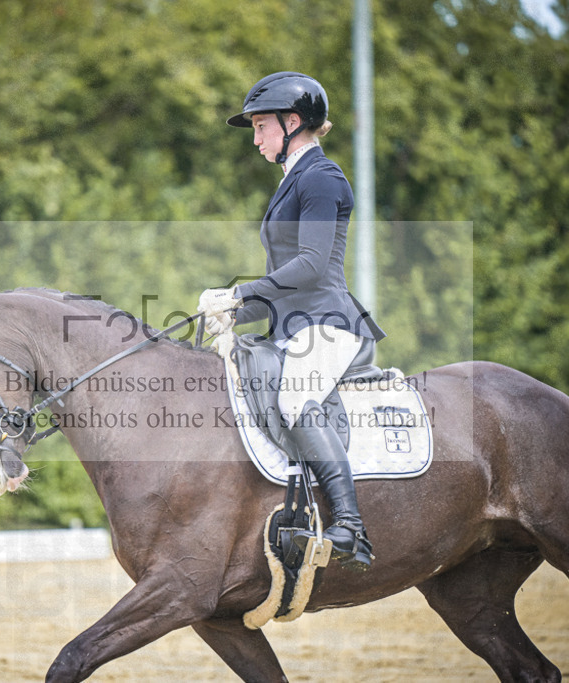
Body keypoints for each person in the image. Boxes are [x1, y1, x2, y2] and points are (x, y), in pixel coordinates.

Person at [198, 71, 385, 571]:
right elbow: (283, 287)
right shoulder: (293, 181)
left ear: (293, 122)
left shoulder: (322, 177)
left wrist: (238, 292)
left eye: (261, 126)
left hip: (328, 323)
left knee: (295, 399)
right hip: (296, 324)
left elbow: (312, 267)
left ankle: (351, 526)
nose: (255, 139)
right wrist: (233, 314)